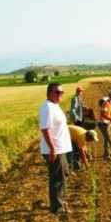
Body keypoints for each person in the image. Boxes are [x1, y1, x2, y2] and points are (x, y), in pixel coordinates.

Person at [39, 82, 72, 214]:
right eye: (56, 92)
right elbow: (45, 129)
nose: (60, 95)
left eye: (61, 92)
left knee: (63, 174)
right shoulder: (47, 107)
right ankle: (57, 207)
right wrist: (52, 149)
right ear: (48, 93)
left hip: (60, 148)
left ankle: (59, 201)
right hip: (54, 149)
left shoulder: (54, 106)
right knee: (57, 178)